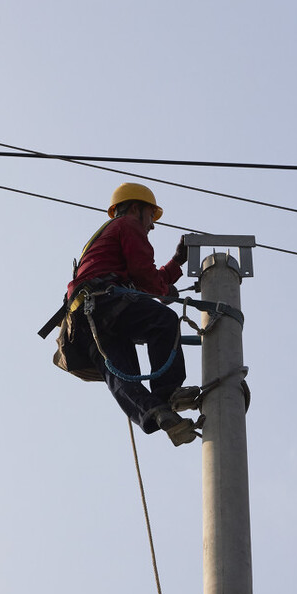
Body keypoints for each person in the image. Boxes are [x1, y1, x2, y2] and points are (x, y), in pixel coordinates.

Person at [65, 183, 201, 445]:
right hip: (105, 301)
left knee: (120, 372)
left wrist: (175, 265)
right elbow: (144, 275)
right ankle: (168, 394)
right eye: (151, 216)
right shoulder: (128, 226)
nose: (152, 225)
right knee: (163, 321)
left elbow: (139, 280)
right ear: (136, 209)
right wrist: (163, 290)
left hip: (83, 318)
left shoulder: (104, 238)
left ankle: (157, 413)